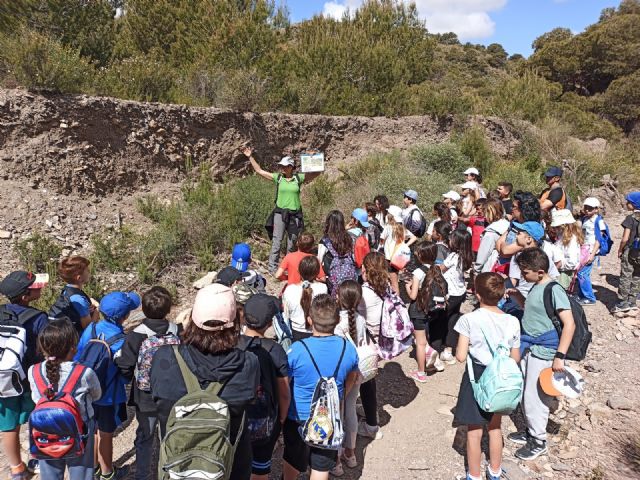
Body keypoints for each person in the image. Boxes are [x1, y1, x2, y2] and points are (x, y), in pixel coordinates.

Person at [150, 283, 259, 480]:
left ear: (191, 319)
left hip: (177, 468)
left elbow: (155, 399)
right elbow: (249, 400)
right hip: (228, 467)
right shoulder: (248, 363)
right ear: (236, 323)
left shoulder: (163, 358)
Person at [505, 248, 575, 461]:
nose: (523, 276)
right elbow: (532, 310)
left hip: (544, 351)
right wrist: (518, 298)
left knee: (535, 397)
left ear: (541, 271)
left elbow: (569, 324)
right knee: (527, 392)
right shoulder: (537, 286)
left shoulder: (554, 289)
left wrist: (559, 356)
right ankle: (530, 431)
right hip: (531, 347)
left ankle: (538, 440)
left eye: (526, 272)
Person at [282, 294, 359, 480]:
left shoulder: (297, 349)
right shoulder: (347, 348)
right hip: (329, 416)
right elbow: (353, 376)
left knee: (292, 458)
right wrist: (340, 396)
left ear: (309, 319)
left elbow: (285, 382)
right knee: (321, 465)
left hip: (298, 415)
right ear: (337, 320)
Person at [454, 273, 520, 480]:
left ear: (477, 294)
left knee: (474, 430)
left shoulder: (468, 320)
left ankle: (473, 475)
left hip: (477, 376)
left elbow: (460, 356)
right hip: (500, 377)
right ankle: (495, 471)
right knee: (495, 426)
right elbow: (515, 357)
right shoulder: (512, 321)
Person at [115, 287, 180, 480]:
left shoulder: (136, 335)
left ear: (143, 309)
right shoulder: (177, 331)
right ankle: (168, 474)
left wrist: (128, 380)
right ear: (169, 310)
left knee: (145, 437)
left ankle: (142, 475)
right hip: (173, 395)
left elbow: (125, 366)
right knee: (169, 436)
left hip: (146, 398)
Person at [75, 291, 141, 480]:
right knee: (106, 434)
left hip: (87, 391)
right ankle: (107, 473)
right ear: (126, 316)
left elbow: (79, 356)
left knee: (93, 430)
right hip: (109, 396)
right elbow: (125, 374)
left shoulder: (91, 329)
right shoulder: (123, 341)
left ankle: (94, 466)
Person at [28, 318, 102, 480]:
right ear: (73, 347)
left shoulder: (33, 371)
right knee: (81, 473)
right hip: (80, 428)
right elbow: (97, 395)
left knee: (50, 474)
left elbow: (36, 398)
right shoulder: (84, 372)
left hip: (45, 429)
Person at [0, 271, 49, 480]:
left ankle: (16, 469)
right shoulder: (39, 318)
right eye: (35, 287)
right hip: (30, 378)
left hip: (4, 378)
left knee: (8, 426)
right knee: (35, 419)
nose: (39, 288)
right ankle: (36, 458)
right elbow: (47, 348)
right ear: (25, 296)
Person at [243, 147, 321, 274]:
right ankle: (273, 268)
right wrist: (250, 156)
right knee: (277, 241)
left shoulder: (298, 178)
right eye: (281, 166)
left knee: (292, 243)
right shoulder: (278, 178)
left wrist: (313, 158)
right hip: (280, 214)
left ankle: (289, 267)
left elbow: (317, 173)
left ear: (291, 167)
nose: (282, 168)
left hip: (295, 215)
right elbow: (259, 171)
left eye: (285, 166)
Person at [238, 294, 291, 480]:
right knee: (260, 466)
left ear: (243, 316)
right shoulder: (275, 350)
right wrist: (282, 418)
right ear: (269, 323)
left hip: (236, 415)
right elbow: (284, 391)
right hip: (265, 419)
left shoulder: (232, 345)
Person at [332, 281, 367, 476]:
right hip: (358, 371)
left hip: (341, 373)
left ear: (339, 298)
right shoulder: (360, 319)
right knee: (351, 410)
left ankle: (336, 461)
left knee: (337, 414)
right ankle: (351, 454)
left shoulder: (337, 323)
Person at [405, 242, 447, 381]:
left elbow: (413, 295)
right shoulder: (436, 269)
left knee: (420, 343)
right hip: (429, 310)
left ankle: (421, 373)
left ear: (420, 255)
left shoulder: (418, 272)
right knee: (423, 338)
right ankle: (431, 354)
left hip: (418, 310)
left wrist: (408, 286)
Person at [357, 252, 387, 440]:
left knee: (364, 381)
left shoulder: (364, 293)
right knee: (369, 380)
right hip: (380, 340)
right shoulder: (385, 288)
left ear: (365, 270)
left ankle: (371, 426)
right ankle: (370, 413)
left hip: (366, 342)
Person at [439, 230, 473, 365]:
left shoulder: (453, 256)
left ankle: (436, 346)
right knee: (453, 320)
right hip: (460, 292)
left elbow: (441, 269)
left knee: (441, 319)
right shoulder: (466, 257)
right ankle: (448, 350)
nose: (449, 240)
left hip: (450, 293)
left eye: (452, 238)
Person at [282, 256, 328, 342]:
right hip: (316, 331)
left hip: (295, 331)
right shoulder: (323, 288)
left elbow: (286, 313)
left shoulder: (290, 290)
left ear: (298, 271)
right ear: (317, 272)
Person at [49, 256, 99, 333]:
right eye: (87, 270)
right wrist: (98, 309)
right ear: (79, 278)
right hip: (74, 340)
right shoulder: (78, 299)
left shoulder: (67, 290)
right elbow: (89, 329)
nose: (89, 272)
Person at [613, 191, 640, 313]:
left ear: (634, 204)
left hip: (630, 251)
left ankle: (623, 303)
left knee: (626, 276)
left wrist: (620, 250)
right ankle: (633, 301)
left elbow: (625, 238)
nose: (626, 203)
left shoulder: (630, 219)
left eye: (628, 202)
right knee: (637, 276)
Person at [380, 205, 416, 294]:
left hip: (389, 258)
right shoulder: (402, 228)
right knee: (395, 281)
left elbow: (382, 240)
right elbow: (414, 237)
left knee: (393, 283)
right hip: (398, 258)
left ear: (391, 216)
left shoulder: (388, 227)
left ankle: (397, 303)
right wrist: (405, 245)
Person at [318, 210, 356, 296]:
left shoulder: (325, 241)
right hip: (350, 277)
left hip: (331, 280)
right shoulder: (349, 238)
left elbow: (319, 261)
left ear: (328, 223)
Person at [576, 197, 606, 306]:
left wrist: (592, 254)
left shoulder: (599, 221)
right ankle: (581, 295)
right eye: (586, 208)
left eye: (590, 208)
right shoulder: (585, 219)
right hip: (583, 248)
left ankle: (589, 297)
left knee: (582, 273)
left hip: (590, 250)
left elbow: (600, 239)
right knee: (580, 272)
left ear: (596, 209)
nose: (587, 210)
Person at [550, 209, 584, 290]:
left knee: (560, 291)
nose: (555, 229)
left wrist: (559, 265)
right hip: (560, 270)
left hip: (564, 272)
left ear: (564, 226)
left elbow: (572, 261)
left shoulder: (571, 240)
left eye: (557, 227)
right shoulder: (563, 236)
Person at [473, 200, 509, 274]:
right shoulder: (508, 225)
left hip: (490, 267)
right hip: (505, 267)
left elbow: (483, 255)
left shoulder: (491, 232)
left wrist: (476, 270)